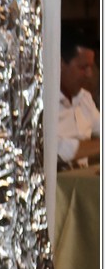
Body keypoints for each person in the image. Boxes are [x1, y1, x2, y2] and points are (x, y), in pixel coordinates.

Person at [58, 24, 100, 167]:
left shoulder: (84, 98)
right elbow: (56, 149)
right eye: (83, 67)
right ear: (60, 63)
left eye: (91, 67)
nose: (89, 74)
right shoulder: (42, 103)